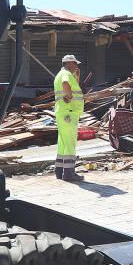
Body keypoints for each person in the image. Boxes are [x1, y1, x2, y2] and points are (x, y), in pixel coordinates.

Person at [53, 54, 85, 182]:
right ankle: (69, 174)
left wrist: (76, 77)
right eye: (75, 63)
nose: (76, 66)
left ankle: (59, 171)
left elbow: (69, 83)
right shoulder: (66, 74)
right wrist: (69, 96)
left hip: (63, 112)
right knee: (70, 143)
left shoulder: (60, 74)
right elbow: (66, 83)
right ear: (69, 63)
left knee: (63, 143)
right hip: (69, 112)